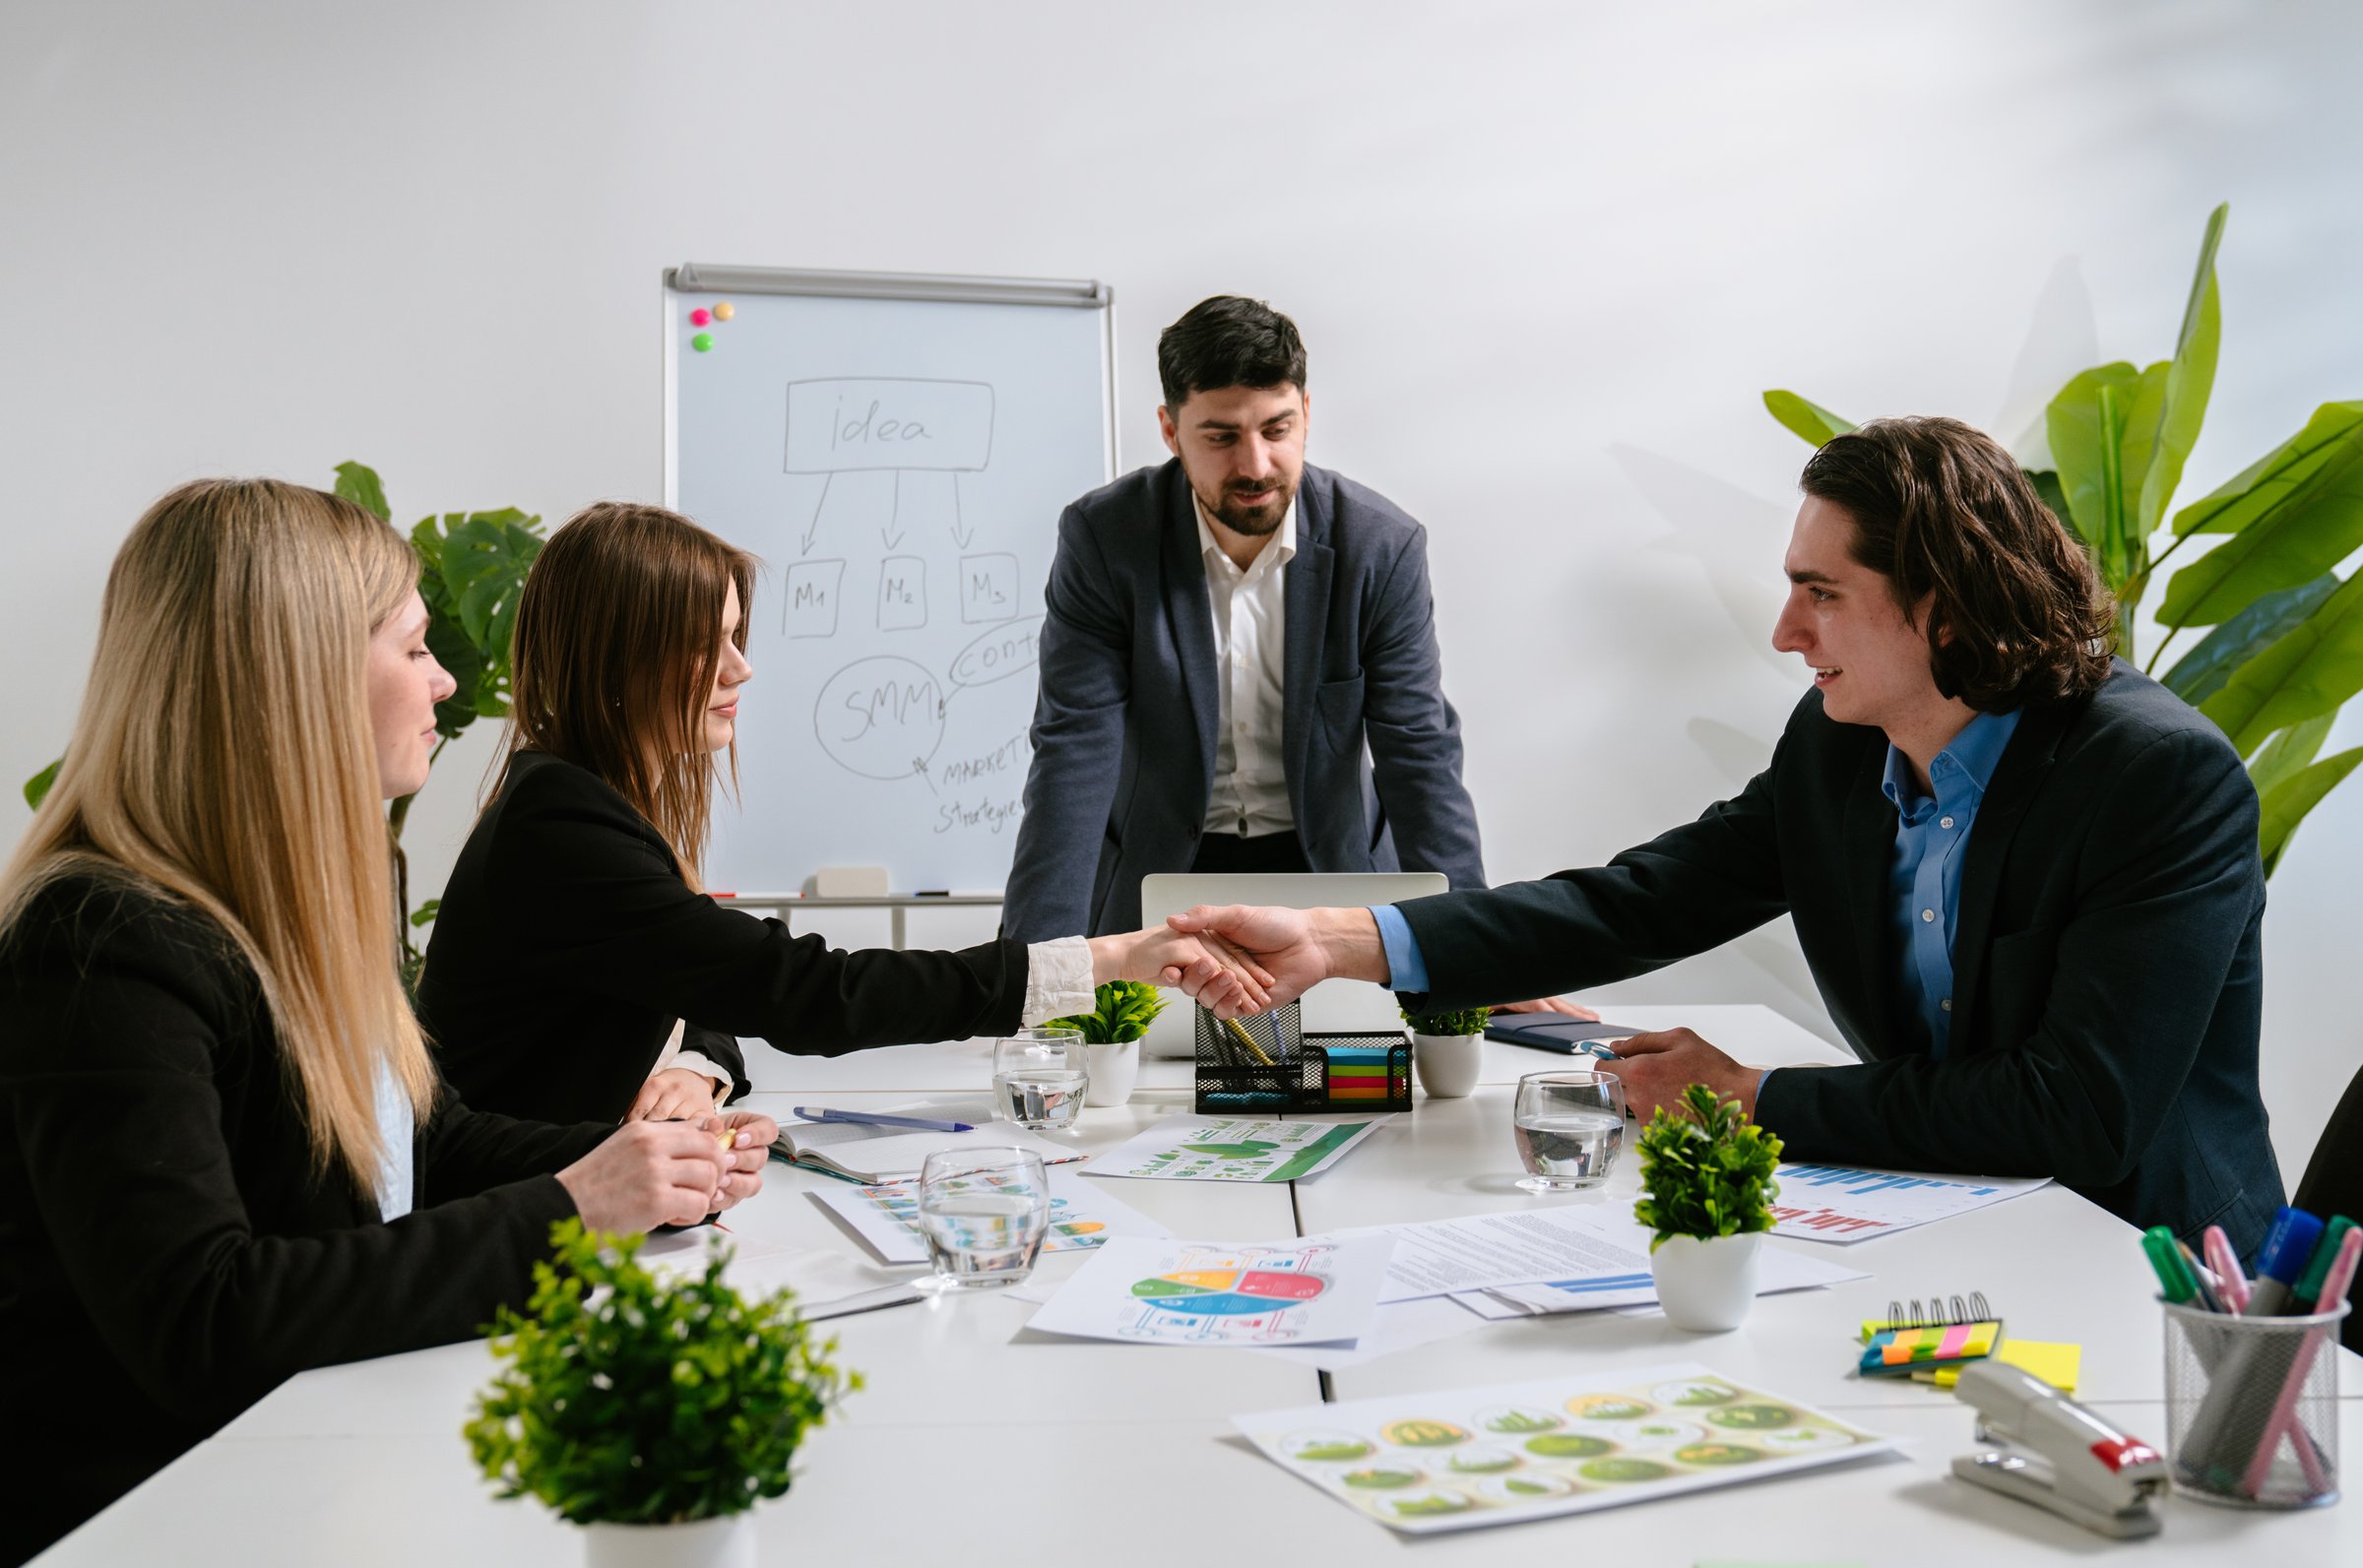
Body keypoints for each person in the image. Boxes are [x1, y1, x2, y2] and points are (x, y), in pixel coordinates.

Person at [1169, 416, 2283, 1254]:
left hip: (2150, 1267)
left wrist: (1749, 1098)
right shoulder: (1843, 742)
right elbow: (1643, 899)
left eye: (1821, 594)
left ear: (1943, 605)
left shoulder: (2153, 777)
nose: (1786, 630)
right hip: (1957, 1222)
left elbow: (2075, 1111)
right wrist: (1342, 941)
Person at [0, 479, 777, 1564]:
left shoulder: (285, 907)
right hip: (174, 1516)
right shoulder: (99, 945)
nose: (449, 681)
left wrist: (650, 1164)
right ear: (296, 676)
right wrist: (574, 1208)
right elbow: (204, 1319)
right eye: (415, 649)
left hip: (315, 1456)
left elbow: (425, 1140)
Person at [418, 503, 1265, 1127]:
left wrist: (695, 1068)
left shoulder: (569, 802)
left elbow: (693, 987)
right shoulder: (561, 830)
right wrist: (1109, 956)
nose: (740, 670)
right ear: (621, 659)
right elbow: (808, 994)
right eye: (709, 644)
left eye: (737, 636)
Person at [1001, 294, 1492, 940]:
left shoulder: (1380, 546)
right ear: (1171, 431)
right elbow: (1074, 753)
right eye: (1222, 436)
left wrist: (1480, 949)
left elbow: (1419, 755)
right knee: (1155, 1043)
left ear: (1307, 415)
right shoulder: (1106, 538)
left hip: (1333, 877)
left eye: (1277, 430)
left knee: (1345, 1045)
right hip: (1162, 875)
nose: (1255, 465)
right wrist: (1034, 966)